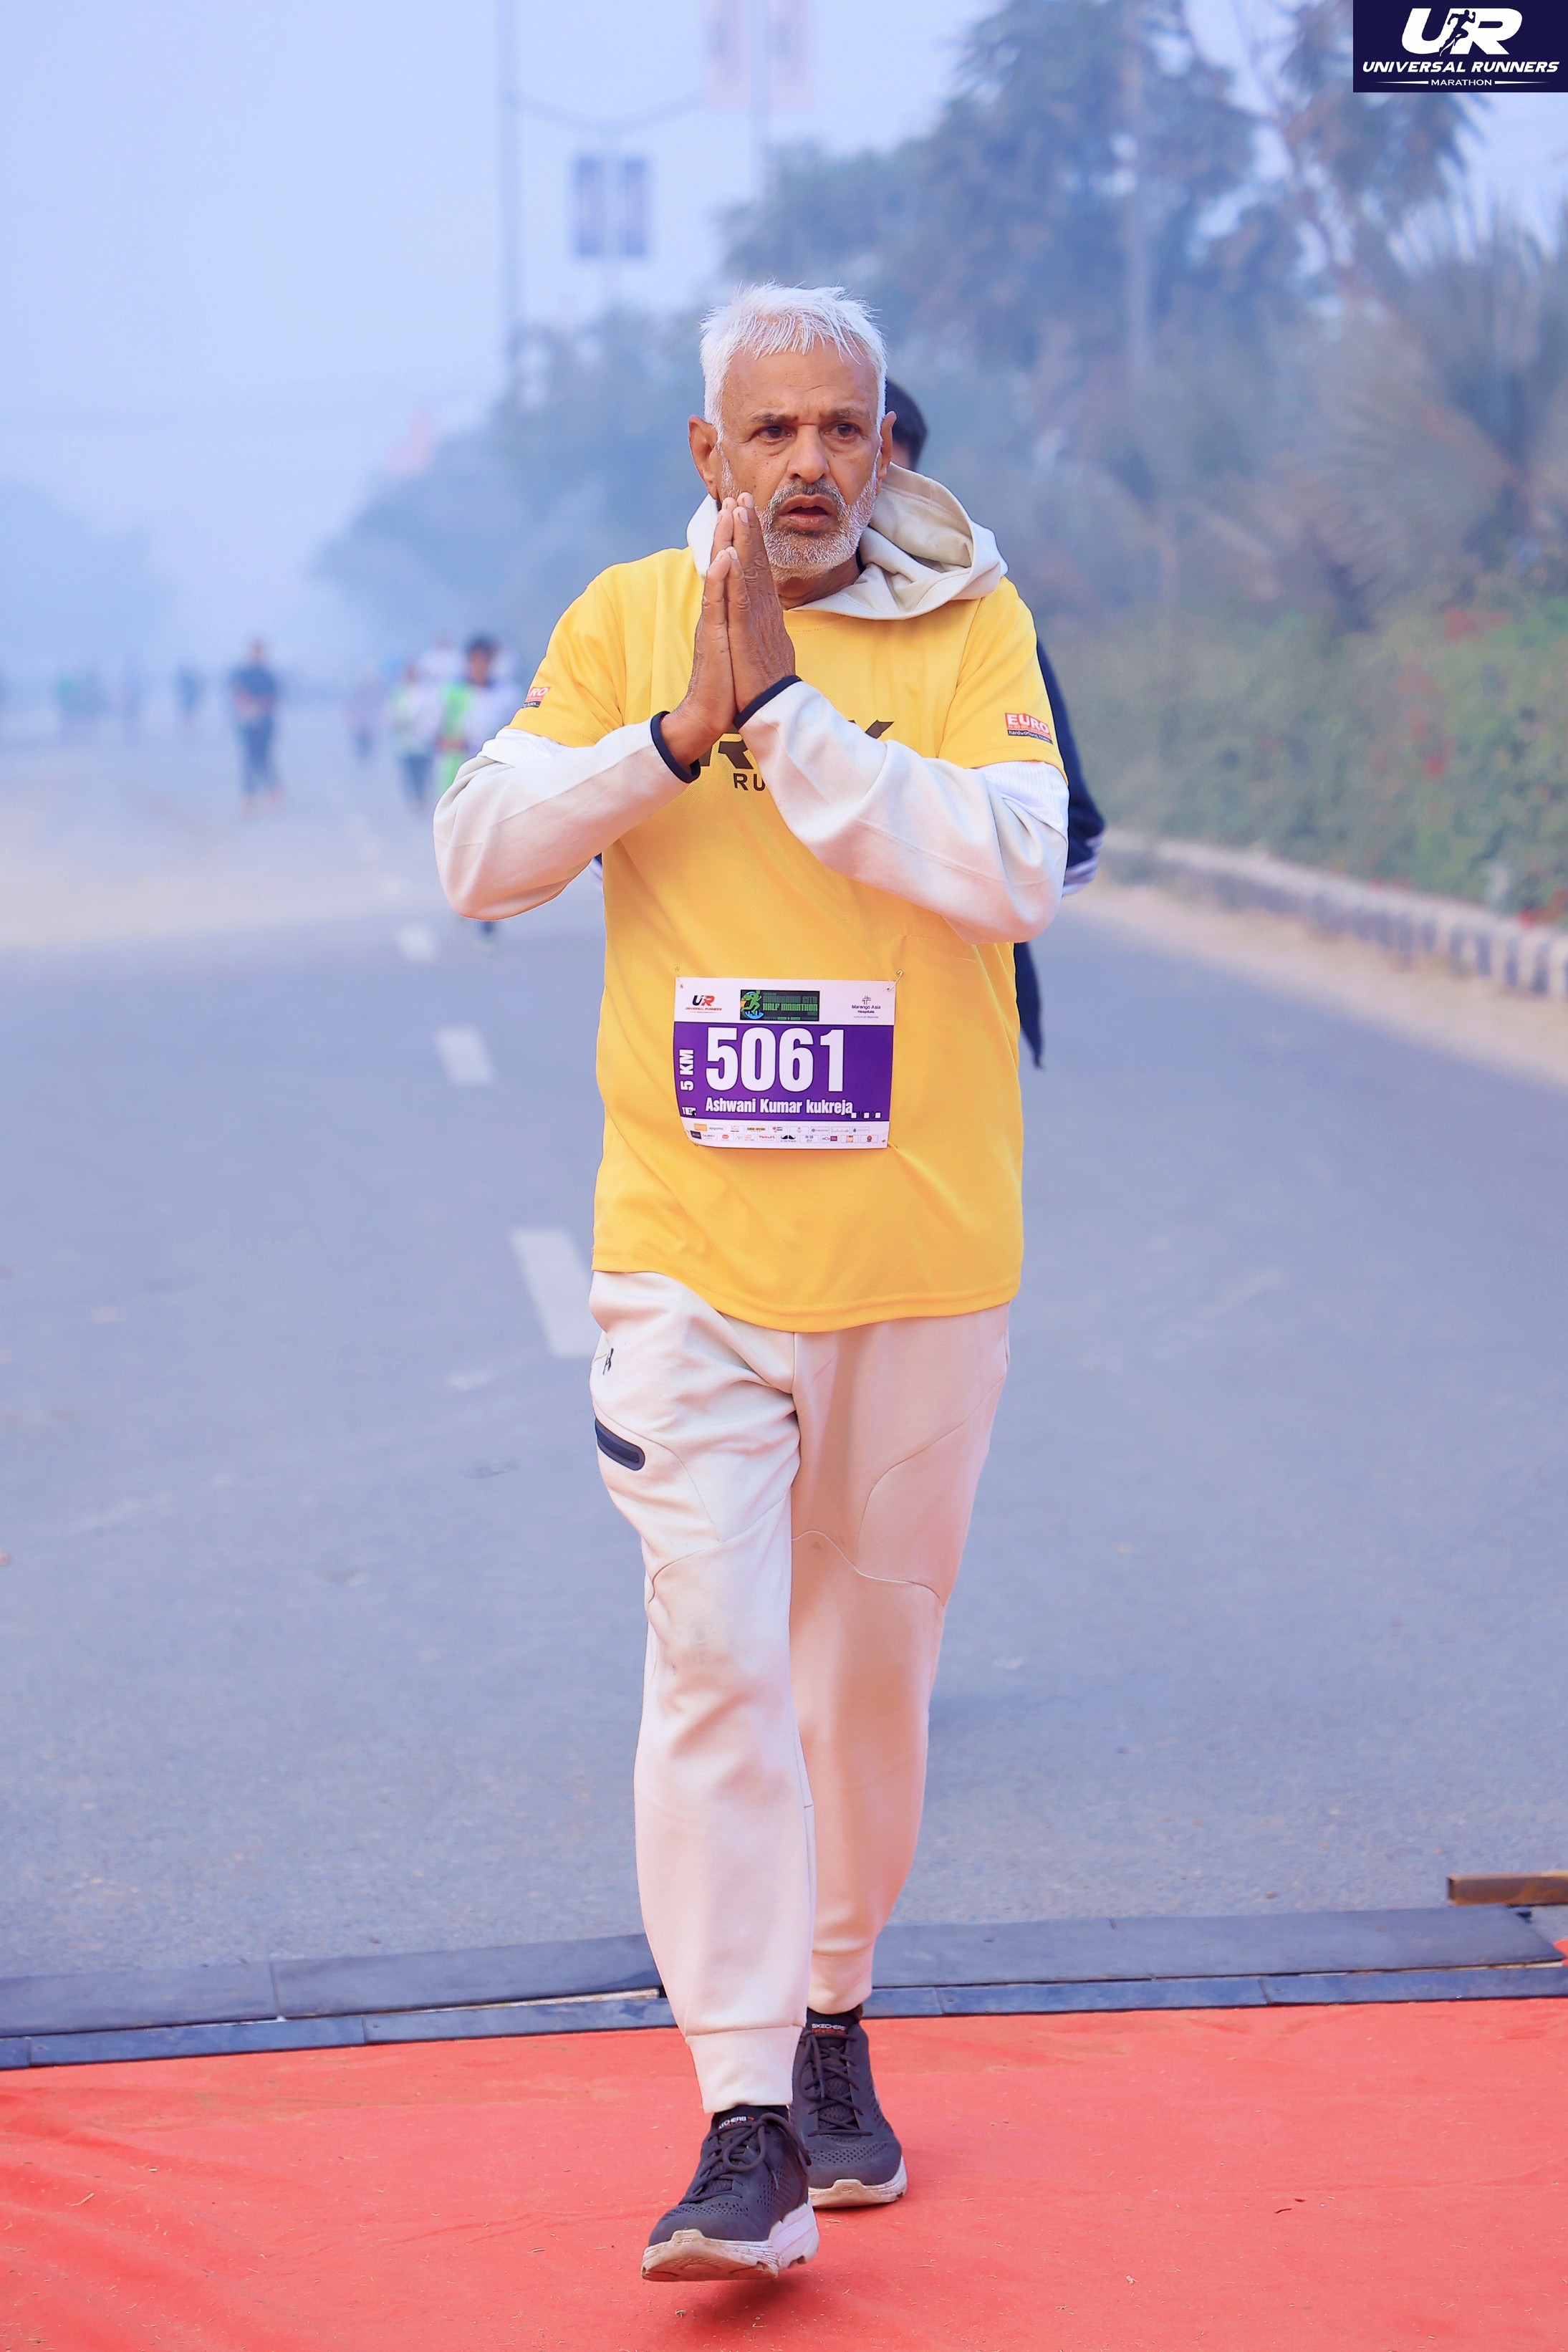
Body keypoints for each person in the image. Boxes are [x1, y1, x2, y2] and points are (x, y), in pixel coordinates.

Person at [436, 285, 1069, 2288]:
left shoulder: (971, 626)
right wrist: (671, 735)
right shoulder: (628, 619)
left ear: (885, 446)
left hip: (916, 1257)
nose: (807, 461)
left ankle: (831, 2011)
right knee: (712, 1657)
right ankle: (739, 2120)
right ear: (707, 455)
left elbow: (1016, 866)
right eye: (768, 430)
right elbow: (479, 853)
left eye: (840, 428)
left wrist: (791, 721)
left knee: (862, 1680)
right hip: (687, 1260)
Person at [883, 379, 1105, 1066]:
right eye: (782, 432)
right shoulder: (696, 624)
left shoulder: (982, 622)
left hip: (949, 1028)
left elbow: (1067, 841)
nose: (839, 486)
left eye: (887, 480)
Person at [228, 640, 281, 809]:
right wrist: (246, 707)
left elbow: (273, 699)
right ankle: (249, 797)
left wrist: (258, 706)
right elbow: (236, 695)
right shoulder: (243, 674)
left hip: (265, 722)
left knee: (264, 758)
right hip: (247, 722)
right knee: (249, 759)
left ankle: (273, 792)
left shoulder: (268, 676)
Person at [386, 658, 440, 807]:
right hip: (405, 743)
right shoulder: (398, 693)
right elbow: (390, 715)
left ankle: (424, 797)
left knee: (423, 772)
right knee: (410, 773)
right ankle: (414, 799)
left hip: (424, 743)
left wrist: (430, 730)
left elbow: (435, 715)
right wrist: (399, 723)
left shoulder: (428, 693)